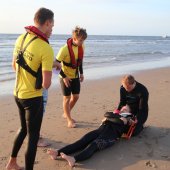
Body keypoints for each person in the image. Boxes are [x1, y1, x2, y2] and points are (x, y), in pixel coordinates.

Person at [6, 7, 54, 170]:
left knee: (23, 129)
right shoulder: (45, 48)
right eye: (52, 26)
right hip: (32, 98)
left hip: (17, 94)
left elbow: (14, 65)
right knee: (33, 137)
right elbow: (46, 84)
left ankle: (12, 162)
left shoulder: (21, 38)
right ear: (47, 23)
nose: (52, 29)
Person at [47, 105, 135, 167]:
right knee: (81, 142)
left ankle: (74, 159)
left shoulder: (128, 118)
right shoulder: (116, 114)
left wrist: (109, 118)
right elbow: (106, 114)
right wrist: (112, 117)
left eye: (125, 109)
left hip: (109, 137)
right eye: (122, 108)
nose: (122, 110)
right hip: (98, 131)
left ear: (129, 112)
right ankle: (57, 153)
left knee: (93, 145)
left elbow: (120, 121)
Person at [56, 26, 87, 128]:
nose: (82, 42)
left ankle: (66, 112)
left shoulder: (82, 46)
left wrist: (81, 73)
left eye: (83, 40)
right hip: (64, 76)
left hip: (75, 76)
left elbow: (80, 61)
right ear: (74, 38)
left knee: (76, 97)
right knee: (67, 98)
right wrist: (64, 77)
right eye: (80, 40)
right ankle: (69, 120)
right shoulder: (64, 49)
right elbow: (55, 64)